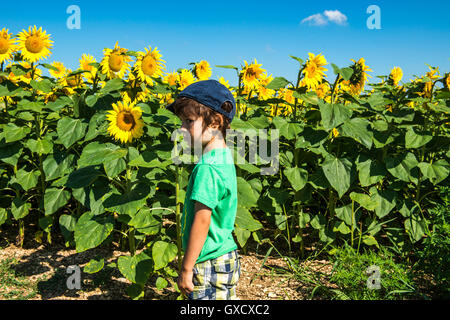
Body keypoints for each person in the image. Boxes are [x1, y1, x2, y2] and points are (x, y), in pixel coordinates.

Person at [165, 80, 240, 300]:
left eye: (188, 121)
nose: (181, 129)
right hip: (225, 253)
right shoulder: (224, 158)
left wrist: (187, 268)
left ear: (215, 122)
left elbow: (202, 220)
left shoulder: (207, 168)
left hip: (208, 260)